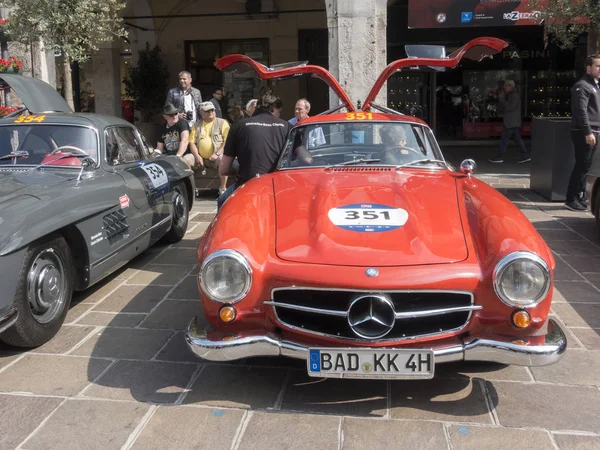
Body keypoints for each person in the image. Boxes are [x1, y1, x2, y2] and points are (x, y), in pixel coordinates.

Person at [217, 90, 290, 209]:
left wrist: (238, 171)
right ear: (273, 107)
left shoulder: (238, 126)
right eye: (279, 112)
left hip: (247, 184)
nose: (279, 116)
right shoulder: (287, 126)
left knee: (222, 201)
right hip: (277, 187)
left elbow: (223, 169)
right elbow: (304, 159)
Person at [565, 54, 600, 211]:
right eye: (598, 66)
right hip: (584, 132)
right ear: (589, 68)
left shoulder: (596, 85)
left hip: (594, 131)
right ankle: (570, 198)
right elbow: (581, 111)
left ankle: (579, 196)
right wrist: (587, 132)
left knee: (586, 166)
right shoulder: (582, 86)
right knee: (581, 165)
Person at [188, 101, 231, 196]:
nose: (210, 112)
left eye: (212, 110)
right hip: (200, 157)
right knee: (185, 161)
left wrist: (217, 153)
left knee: (222, 160)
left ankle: (223, 188)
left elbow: (227, 141)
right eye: (207, 111)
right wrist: (197, 156)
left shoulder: (222, 122)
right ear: (201, 113)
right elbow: (192, 142)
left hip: (217, 156)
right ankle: (192, 188)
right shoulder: (196, 124)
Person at [488, 80, 530, 164]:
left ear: (510, 86)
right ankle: (525, 155)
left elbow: (509, 107)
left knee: (504, 140)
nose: (504, 87)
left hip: (511, 122)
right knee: (517, 139)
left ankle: (499, 157)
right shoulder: (511, 95)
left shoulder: (514, 96)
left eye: (506, 86)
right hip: (512, 122)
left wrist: (502, 99)